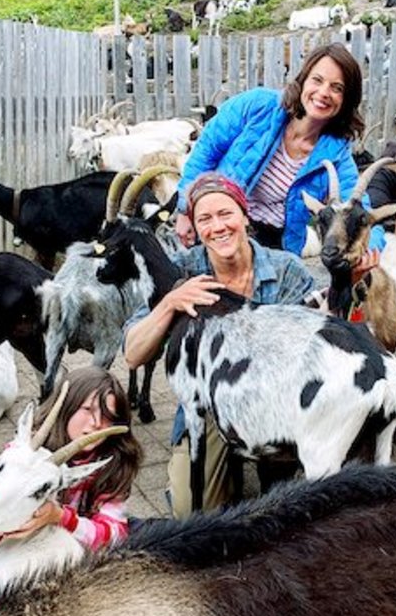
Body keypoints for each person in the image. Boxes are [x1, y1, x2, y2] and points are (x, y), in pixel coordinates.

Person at [124, 173, 315, 517]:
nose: (218, 227)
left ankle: (273, 468)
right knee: (191, 511)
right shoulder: (179, 269)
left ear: (245, 215)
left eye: (226, 214)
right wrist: (169, 303)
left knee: (287, 507)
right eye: (205, 219)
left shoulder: (287, 269)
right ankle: (210, 473)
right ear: (195, 228)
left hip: (278, 401)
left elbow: (315, 341)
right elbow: (133, 354)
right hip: (209, 409)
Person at [175, 43, 365, 256]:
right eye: (317, 80)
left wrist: (368, 252)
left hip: (274, 245)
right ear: (303, 80)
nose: (323, 92)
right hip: (221, 223)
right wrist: (185, 209)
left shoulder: (336, 158)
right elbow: (206, 150)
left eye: (337, 88)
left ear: (346, 100)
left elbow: (359, 209)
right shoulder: (259, 106)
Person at [0, 366, 144, 553]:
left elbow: (116, 537)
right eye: (88, 409)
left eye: (109, 417)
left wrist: (59, 517)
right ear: (67, 407)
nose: (96, 423)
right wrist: (2, 529)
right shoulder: (21, 457)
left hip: (76, 556)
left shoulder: (112, 465)